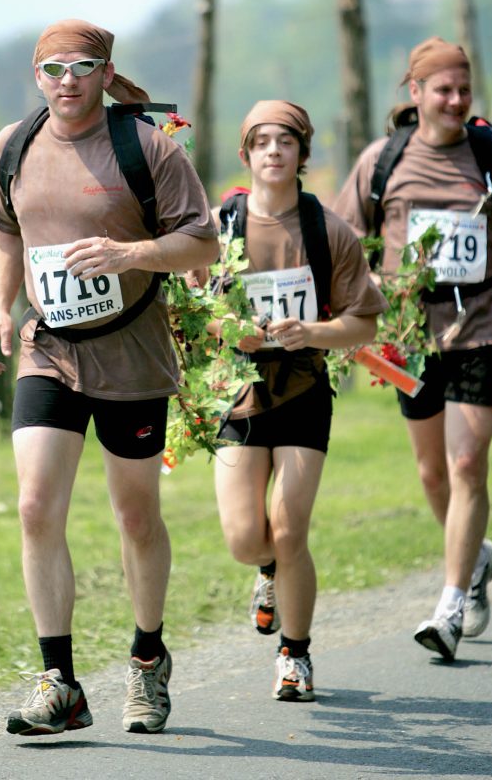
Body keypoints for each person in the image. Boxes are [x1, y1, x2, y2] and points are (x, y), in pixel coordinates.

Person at [0, 18, 219, 736]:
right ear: (37, 74)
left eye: (83, 66)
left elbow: (200, 240)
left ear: (108, 73)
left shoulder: (147, 147)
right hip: (49, 348)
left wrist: (131, 254)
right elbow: (5, 228)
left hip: (131, 354)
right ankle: (60, 684)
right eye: (53, 68)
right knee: (34, 506)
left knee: (135, 515)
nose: (68, 81)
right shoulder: (13, 146)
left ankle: (147, 662)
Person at [334, 37, 492, 661]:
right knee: (431, 472)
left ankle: (451, 604)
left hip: (483, 324)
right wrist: (363, 282)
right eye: (443, 90)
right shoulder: (383, 160)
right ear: (416, 92)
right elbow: (347, 237)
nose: (455, 101)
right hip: (409, 336)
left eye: (463, 89)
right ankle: (477, 556)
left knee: (464, 465)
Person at [195, 101, 387, 702]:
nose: (274, 151)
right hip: (237, 389)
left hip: (304, 387)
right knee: (247, 539)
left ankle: (295, 656)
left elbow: (365, 324)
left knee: (290, 525)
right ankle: (268, 573)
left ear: (303, 154)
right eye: (262, 142)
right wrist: (230, 331)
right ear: (246, 154)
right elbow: (191, 312)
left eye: (286, 142)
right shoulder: (217, 227)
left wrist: (314, 334)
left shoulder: (328, 231)